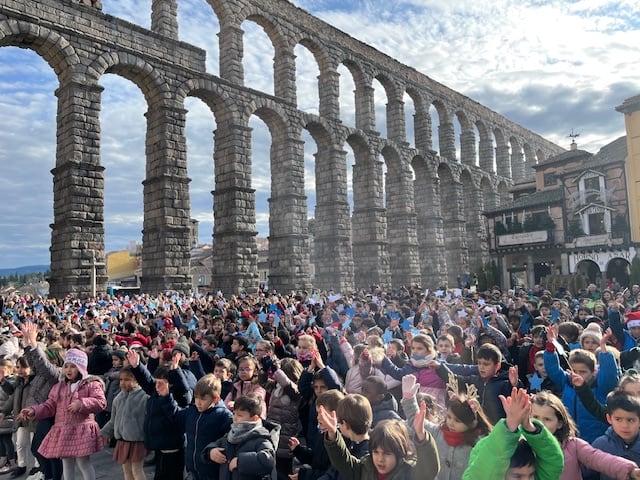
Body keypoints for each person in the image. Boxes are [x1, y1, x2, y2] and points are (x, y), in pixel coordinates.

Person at [18, 348, 106, 480]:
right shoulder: (59, 386)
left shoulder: (90, 384)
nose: (68, 370)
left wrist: (82, 404)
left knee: (83, 462)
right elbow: (49, 406)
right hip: (63, 429)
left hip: (81, 429)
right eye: (66, 366)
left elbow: (100, 402)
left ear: (81, 367)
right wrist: (34, 410)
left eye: (73, 367)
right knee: (66, 462)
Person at [530, 390, 640, 480]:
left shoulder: (573, 445)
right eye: (535, 417)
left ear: (559, 423)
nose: (540, 423)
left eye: (547, 419)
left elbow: (600, 459)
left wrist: (630, 470)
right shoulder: (523, 445)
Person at [320, 398, 440, 480]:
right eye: (376, 452)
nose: (380, 459)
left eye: (387, 453)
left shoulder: (407, 473)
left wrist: (421, 435)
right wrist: (333, 433)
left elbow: (429, 470)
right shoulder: (365, 467)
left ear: (399, 452)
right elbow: (342, 461)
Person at [401, 374, 492, 480]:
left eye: (457, 420)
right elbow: (416, 422)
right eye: (449, 417)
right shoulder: (438, 432)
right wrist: (409, 399)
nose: (451, 423)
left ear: (470, 422)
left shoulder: (480, 441)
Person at [462, 387, 564, 480]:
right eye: (518, 476)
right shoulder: (486, 472)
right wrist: (510, 424)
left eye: (531, 475)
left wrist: (529, 427)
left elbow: (553, 462)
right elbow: (483, 472)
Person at [544, 326, 618, 442]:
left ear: (594, 371)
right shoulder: (567, 381)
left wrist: (603, 349)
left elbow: (610, 375)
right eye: (574, 371)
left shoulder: (600, 385)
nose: (577, 374)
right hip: (571, 436)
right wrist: (550, 345)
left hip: (595, 438)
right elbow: (552, 369)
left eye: (583, 372)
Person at [156, 372, 232, 480]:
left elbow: (232, 438)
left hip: (212, 472)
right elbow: (175, 416)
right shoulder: (192, 411)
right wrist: (166, 397)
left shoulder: (223, 416)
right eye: (196, 398)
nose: (198, 403)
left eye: (203, 399)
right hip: (192, 470)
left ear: (215, 399)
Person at [204, 393, 279, 480]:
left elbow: (268, 461)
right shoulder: (231, 435)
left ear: (255, 418)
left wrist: (240, 462)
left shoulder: (261, 438)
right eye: (234, 413)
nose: (234, 418)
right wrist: (211, 452)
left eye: (240, 415)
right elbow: (213, 446)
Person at [100, 366, 148, 480]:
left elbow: (148, 420)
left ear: (136, 380)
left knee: (137, 470)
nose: (123, 383)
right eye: (121, 379)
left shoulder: (144, 397)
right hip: (122, 441)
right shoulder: (119, 398)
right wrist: (104, 432)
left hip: (137, 441)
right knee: (126, 471)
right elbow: (113, 420)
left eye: (127, 380)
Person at [592, 391, 640, 478]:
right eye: (618, 419)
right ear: (609, 418)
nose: (625, 426)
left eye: (631, 420)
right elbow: (588, 475)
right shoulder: (600, 445)